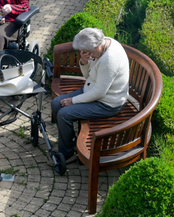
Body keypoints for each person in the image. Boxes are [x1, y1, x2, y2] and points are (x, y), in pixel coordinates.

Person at [50, 27, 129, 165]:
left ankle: (67, 154)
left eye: (87, 52)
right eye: (83, 52)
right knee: (56, 103)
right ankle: (69, 144)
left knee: (64, 114)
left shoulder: (109, 60)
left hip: (108, 103)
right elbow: (88, 76)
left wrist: (73, 101)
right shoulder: (101, 46)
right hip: (92, 90)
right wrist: (84, 61)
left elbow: (99, 92)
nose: (86, 54)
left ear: (97, 47)